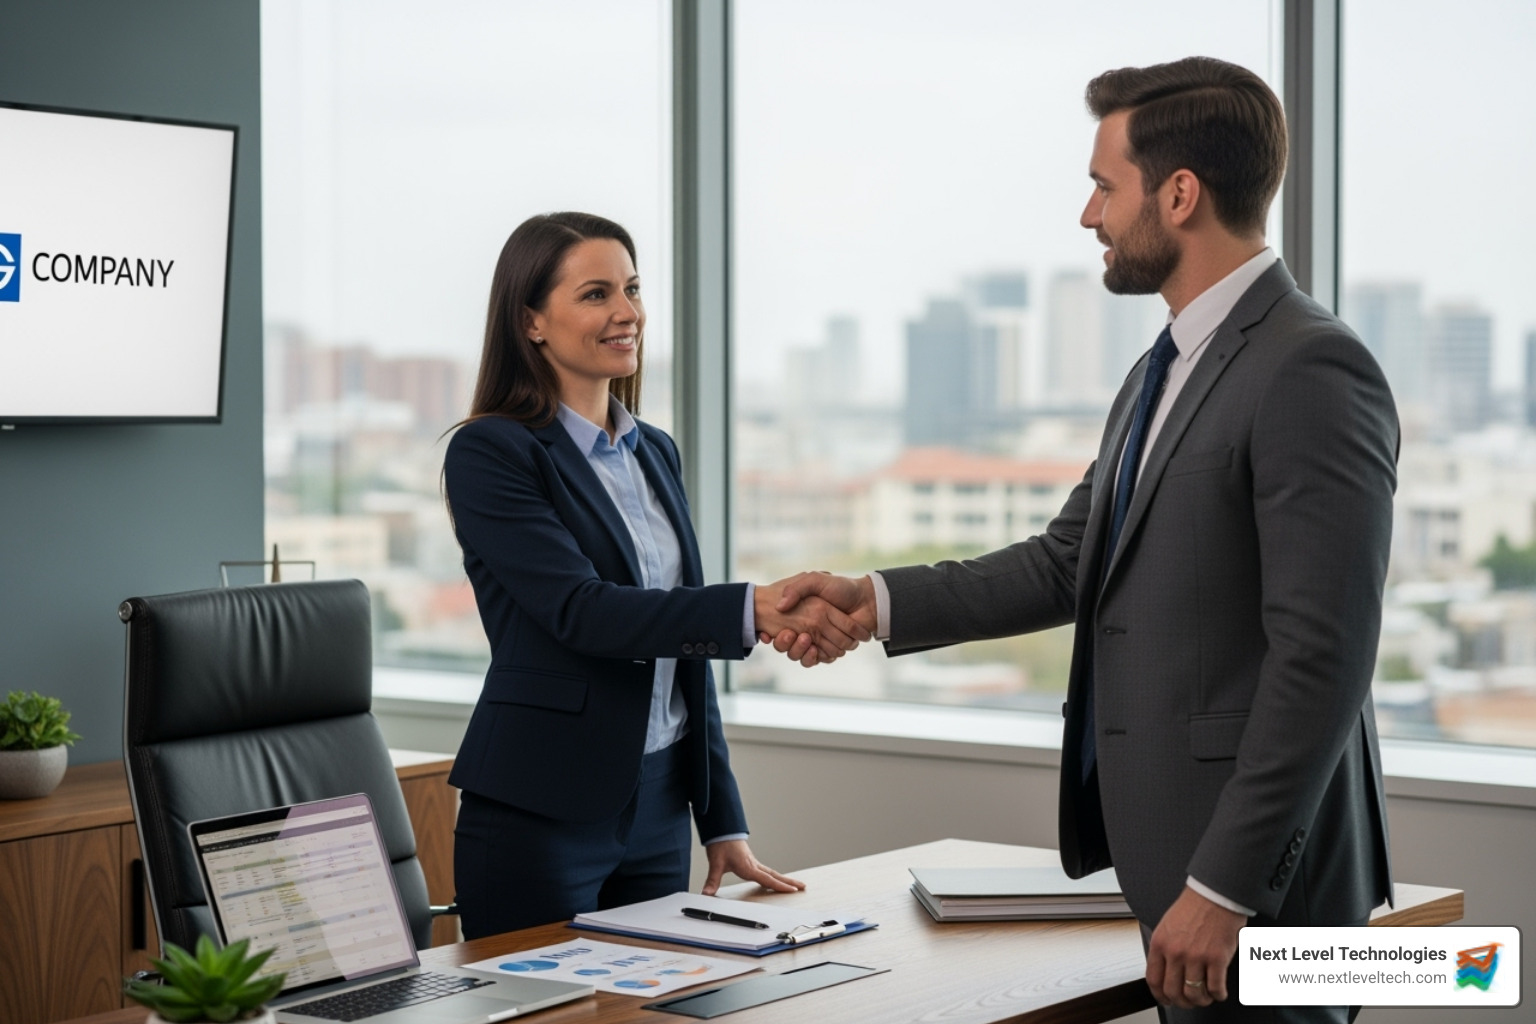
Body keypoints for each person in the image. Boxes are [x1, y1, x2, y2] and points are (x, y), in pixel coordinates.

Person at [770, 58, 1396, 1022]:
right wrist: (875, 600)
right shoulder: (1163, 368)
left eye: (1106, 186)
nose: (1088, 215)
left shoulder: (1310, 365)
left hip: (1266, 896)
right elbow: (1070, 560)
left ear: (1179, 195)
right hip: (1178, 867)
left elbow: (1325, 657)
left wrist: (1225, 888)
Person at [444, 211, 869, 939]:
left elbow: (682, 652)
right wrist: (753, 609)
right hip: (541, 805)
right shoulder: (492, 453)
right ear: (530, 321)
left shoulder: (654, 452)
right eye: (596, 294)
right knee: (548, 1002)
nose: (628, 312)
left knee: (664, 997)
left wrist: (721, 819)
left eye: (633, 289)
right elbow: (583, 611)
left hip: (660, 804)